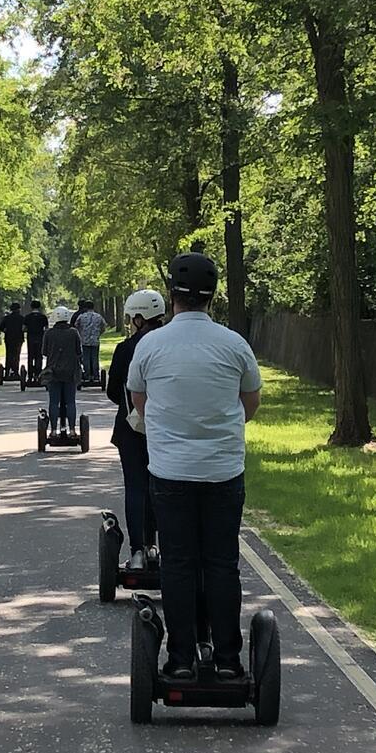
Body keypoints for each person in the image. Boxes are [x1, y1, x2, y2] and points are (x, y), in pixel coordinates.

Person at [126, 253, 262, 681]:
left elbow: (139, 403)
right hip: (223, 472)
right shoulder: (235, 344)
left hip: (169, 473)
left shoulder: (150, 344)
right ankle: (227, 660)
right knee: (221, 563)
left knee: (179, 564)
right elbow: (250, 405)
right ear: (213, 295)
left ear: (172, 296)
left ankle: (181, 659)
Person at [106, 289, 166, 571]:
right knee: (159, 485)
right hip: (163, 427)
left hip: (131, 427)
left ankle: (138, 551)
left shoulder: (126, 349)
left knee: (136, 486)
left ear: (140, 319)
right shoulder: (169, 345)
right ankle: (155, 546)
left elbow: (113, 391)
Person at [41, 305, 82, 434]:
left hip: (53, 372)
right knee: (70, 401)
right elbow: (79, 351)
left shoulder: (49, 333)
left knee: (54, 402)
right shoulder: (73, 332)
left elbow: (45, 352)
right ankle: (72, 430)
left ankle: (53, 430)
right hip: (70, 372)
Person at [73, 298, 107, 380]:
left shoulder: (81, 317)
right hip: (95, 340)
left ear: (85, 308)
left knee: (86, 358)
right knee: (95, 357)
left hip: (84, 341)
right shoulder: (98, 317)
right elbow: (104, 326)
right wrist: (99, 334)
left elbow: (76, 326)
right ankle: (95, 374)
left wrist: (80, 334)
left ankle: (87, 374)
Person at [0, 301, 26, 377]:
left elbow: (1, 328)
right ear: (19, 309)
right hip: (18, 339)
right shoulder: (22, 318)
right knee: (17, 355)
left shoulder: (6, 318)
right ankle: (15, 371)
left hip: (9, 338)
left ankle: (7, 371)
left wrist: (6, 331)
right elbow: (24, 328)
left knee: (9, 354)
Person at [23, 300, 48, 377]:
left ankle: (30, 374)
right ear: (39, 307)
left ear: (31, 307)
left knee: (31, 356)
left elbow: (23, 328)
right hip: (40, 338)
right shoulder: (43, 317)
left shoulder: (27, 317)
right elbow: (46, 328)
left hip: (31, 338)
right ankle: (38, 373)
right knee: (39, 356)